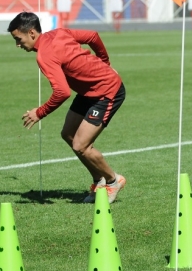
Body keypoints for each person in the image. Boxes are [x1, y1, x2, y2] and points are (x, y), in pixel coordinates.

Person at [7, 12, 127, 203]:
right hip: (88, 92)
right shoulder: (59, 33)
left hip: (107, 91)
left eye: (18, 39)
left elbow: (62, 92)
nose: (18, 45)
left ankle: (113, 180)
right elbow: (93, 37)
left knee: (80, 144)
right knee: (68, 134)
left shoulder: (44, 56)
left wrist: (39, 112)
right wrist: (104, 62)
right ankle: (99, 180)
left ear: (31, 33)